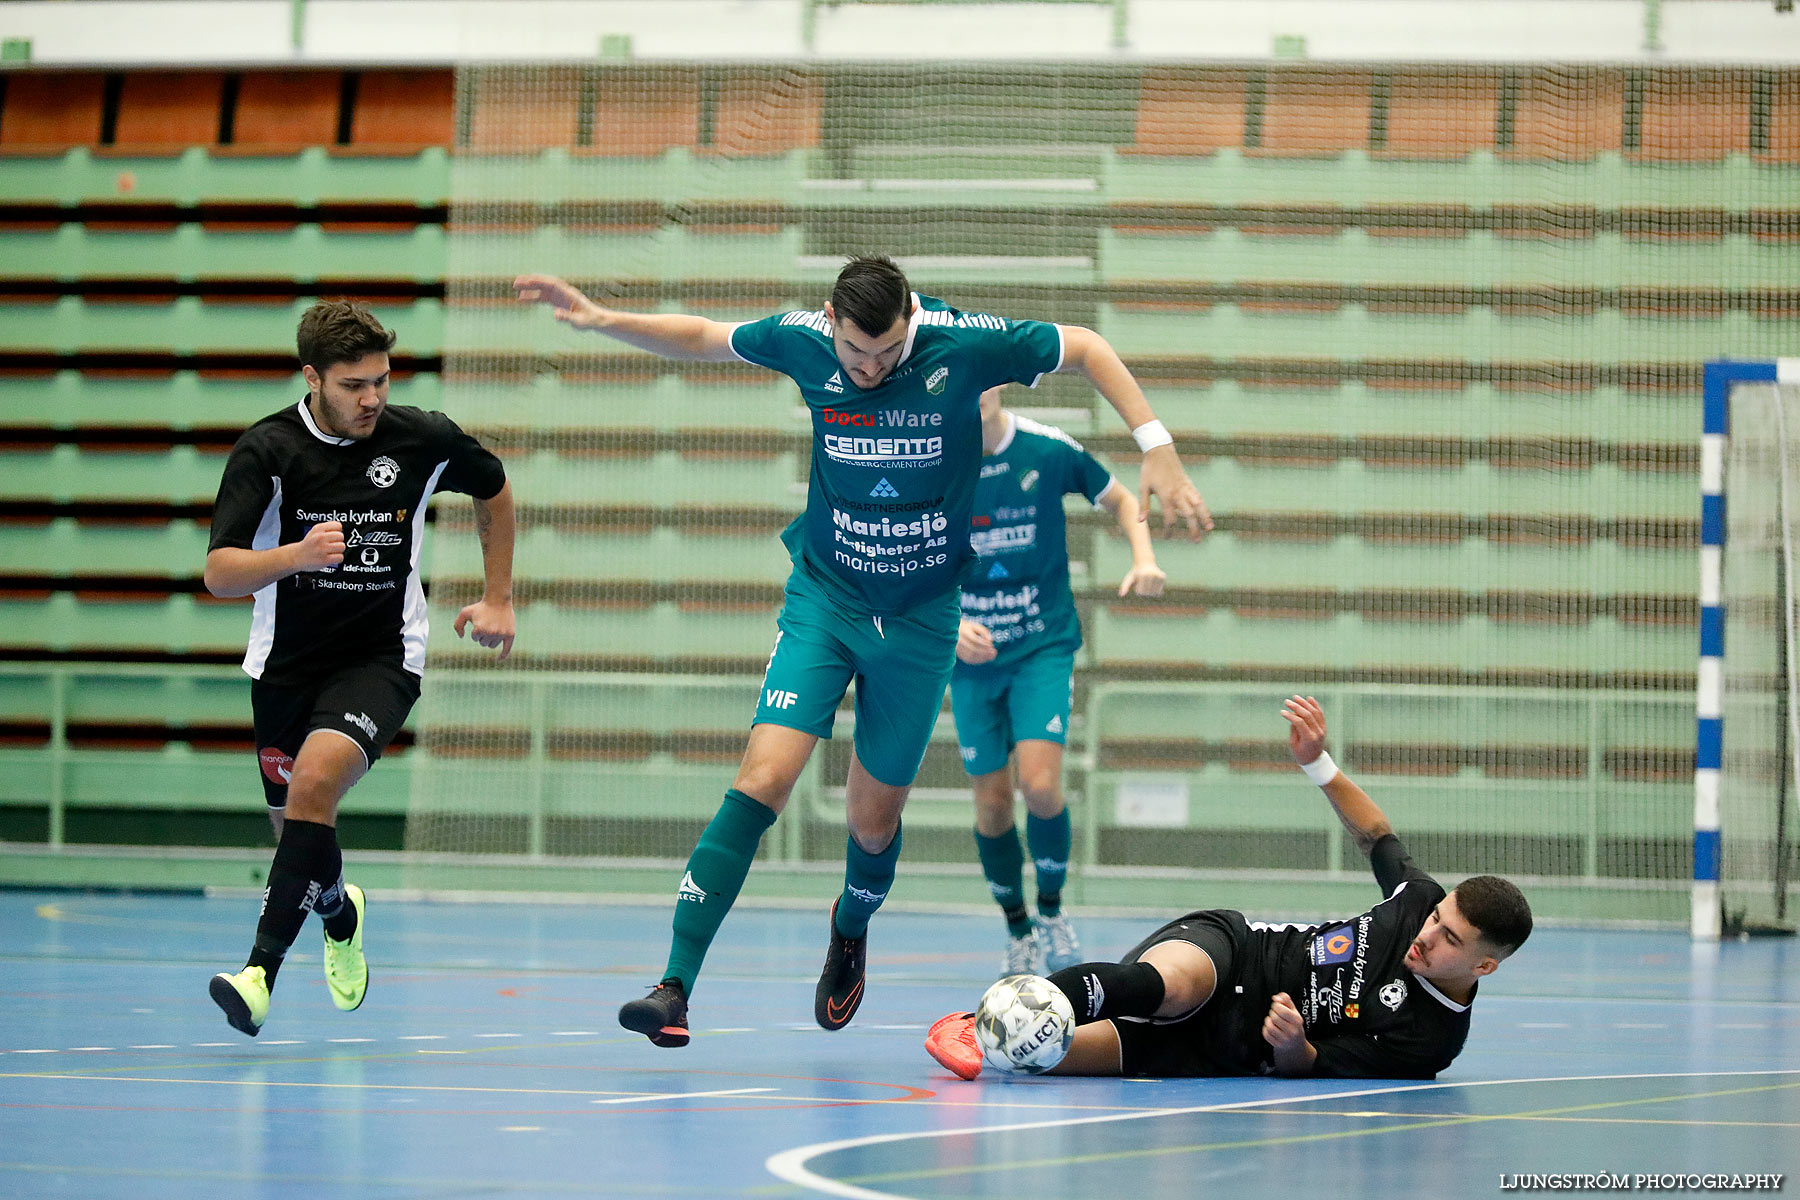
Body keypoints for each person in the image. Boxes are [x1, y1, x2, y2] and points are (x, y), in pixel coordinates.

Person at [516, 256, 1211, 1047]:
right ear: (832, 322)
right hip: (827, 601)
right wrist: (605, 318)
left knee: (871, 824)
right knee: (763, 778)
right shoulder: (804, 341)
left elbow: (1084, 345)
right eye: (857, 354)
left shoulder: (961, 345)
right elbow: (706, 336)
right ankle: (673, 986)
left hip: (919, 623)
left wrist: (1154, 441)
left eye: (886, 352)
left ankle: (850, 927)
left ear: (910, 318)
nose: (871, 368)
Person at [926, 694, 1533, 1080]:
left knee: (1043, 1056)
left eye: (1448, 938)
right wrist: (1317, 763)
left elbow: (1313, 1067)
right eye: (1436, 920)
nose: (1428, 935)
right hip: (1235, 951)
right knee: (1170, 988)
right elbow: (1376, 834)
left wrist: (1292, 1042)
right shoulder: (1420, 900)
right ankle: (981, 1014)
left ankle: (997, 1038)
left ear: (1484, 966)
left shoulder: (1432, 1041)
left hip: (1228, 1047)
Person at [204, 300, 517, 1037]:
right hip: (286, 666)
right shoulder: (268, 451)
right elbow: (220, 573)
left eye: (381, 379)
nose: (372, 398)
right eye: (353, 385)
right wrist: (294, 556)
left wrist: (498, 596)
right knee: (297, 831)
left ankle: (258, 975)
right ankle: (340, 912)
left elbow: (494, 490)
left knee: (315, 783)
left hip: (382, 658)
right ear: (312, 378)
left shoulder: (418, 439)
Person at [953, 384, 1164, 978]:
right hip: (969, 660)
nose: (979, 391)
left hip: (1040, 648)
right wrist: (951, 627)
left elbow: (1124, 500)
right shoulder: (937, 460)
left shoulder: (1046, 451)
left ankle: (1050, 911)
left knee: (1041, 788)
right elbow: (907, 559)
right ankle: (1016, 926)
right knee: (991, 803)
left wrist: (1143, 558)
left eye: (988, 377)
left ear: (1000, 383)